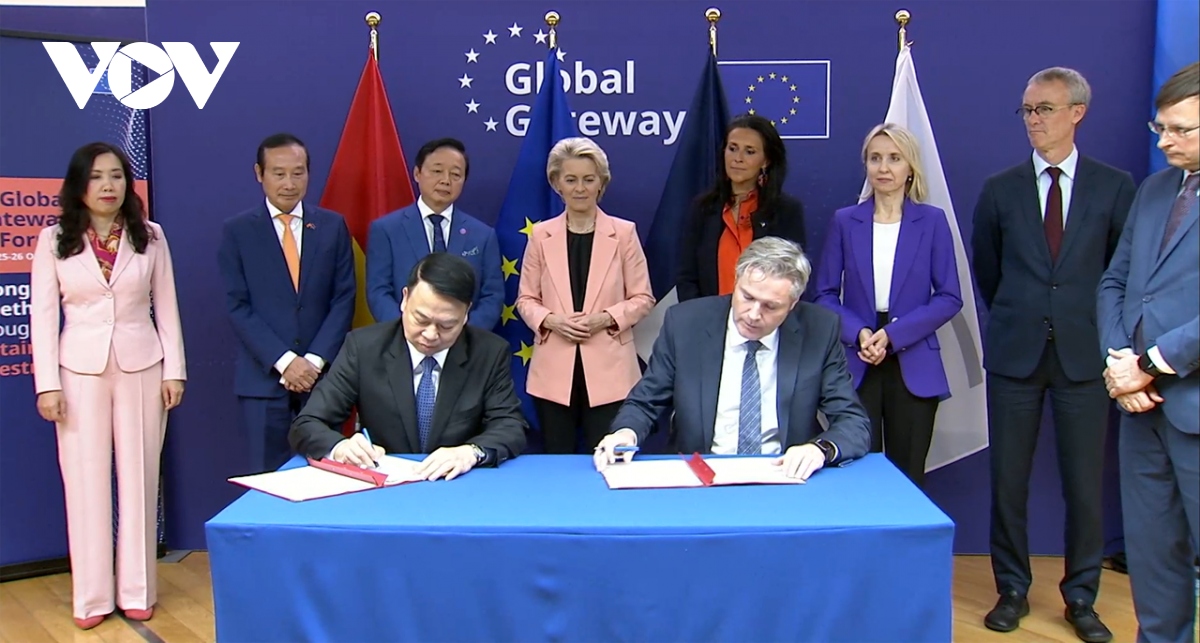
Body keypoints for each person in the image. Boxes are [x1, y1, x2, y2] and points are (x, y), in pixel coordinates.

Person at [970, 67, 1135, 642]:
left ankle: (1081, 597)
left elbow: (1120, 274)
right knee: (1007, 481)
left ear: (1077, 113)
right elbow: (989, 273)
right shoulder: (1001, 189)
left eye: (1044, 109)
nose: (1033, 120)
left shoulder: (1114, 187)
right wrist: (1026, 312)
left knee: (1084, 486)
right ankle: (1011, 590)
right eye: (1027, 110)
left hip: (1085, 357)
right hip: (1015, 354)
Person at [30, 142, 186, 630]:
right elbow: (42, 317)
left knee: (140, 478)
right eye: (97, 176)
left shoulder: (151, 236)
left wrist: (174, 370)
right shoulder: (53, 239)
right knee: (85, 483)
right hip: (79, 371)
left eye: (116, 176)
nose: (107, 186)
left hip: (142, 366)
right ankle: (92, 597)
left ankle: (138, 590)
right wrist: (47, 384)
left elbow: (167, 306)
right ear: (79, 184)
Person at [594, 237, 871, 479]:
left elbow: (853, 421)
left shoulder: (819, 330)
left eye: (770, 306)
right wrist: (625, 433)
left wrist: (819, 450)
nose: (753, 314)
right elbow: (646, 401)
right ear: (736, 281)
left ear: (792, 304)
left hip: (783, 475)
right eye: (747, 297)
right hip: (700, 475)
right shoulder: (686, 323)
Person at [1097, 62, 1199, 643]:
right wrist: (1120, 364)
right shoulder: (1155, 190)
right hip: (1140, 409)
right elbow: (1116, 281)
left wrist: (1149, 365)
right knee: (1153, 559)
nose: (1164, 141)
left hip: (1187, 400)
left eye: (1181, 129)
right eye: (1160, 128)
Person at [813, 123, 963, 488]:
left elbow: (949, 296)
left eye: (894, 158)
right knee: (857, 476)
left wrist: (893, 335)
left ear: (910, 167)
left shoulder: (932, 221)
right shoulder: (845, 221)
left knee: (908, 477)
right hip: (858, 359)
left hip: (913, 363)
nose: (884, 168)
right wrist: (860, 333)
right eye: (875, 158)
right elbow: (824, 294)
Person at [289, 252, 527, 480]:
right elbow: (307, 424)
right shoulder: (364, 348)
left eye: (446, 326)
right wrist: (340, 447)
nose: (431, 334)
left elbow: (510, 425)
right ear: (404, 299)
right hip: (384, 483)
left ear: (465, 315)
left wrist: (470, 452)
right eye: (420, 320)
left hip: (456, 483)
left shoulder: (489, 352)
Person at [217, 133, 356, 473]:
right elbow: (238, 305)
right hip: (263, 381)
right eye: (279, 174)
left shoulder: (332, 226)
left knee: (329, 478)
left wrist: (313, 362)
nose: (289, 184)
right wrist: (285, 362)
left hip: (322, 381)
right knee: (266, 479)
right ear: (259, 173)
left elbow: (343, 298)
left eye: (298, 173)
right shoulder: (238, 231)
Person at [515, 137, 655, 453]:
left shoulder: (624, 233)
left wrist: (604, 319)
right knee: (557, 460)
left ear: (601, 183)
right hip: (553, 371)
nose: (580, 188)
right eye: (571, 180)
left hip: (610, 371)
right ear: (557, 184)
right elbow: (526, 299)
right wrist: (552, 321)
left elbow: (643, 298)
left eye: (588, 179)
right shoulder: (540, 235)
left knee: (608, 458)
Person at [367, 138, 504, 330]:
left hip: (464, 341)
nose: (446, 181)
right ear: (417, 173)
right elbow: (378, 292)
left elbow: (493, 295)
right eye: (437, 171)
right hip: (403, 339)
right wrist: (409, 331)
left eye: (455, 174)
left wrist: (461, 335)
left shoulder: (483, 236)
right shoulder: (386, 229)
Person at [675, 114, 808, 302]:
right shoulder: (703, 208)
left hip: (763, 315)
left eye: (749, 152)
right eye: (732, 148)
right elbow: (687, 277)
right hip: (708, 316)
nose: (737, 158)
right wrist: (701, 315)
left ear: (766, 161)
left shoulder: (785, 211)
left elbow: (792, 278)